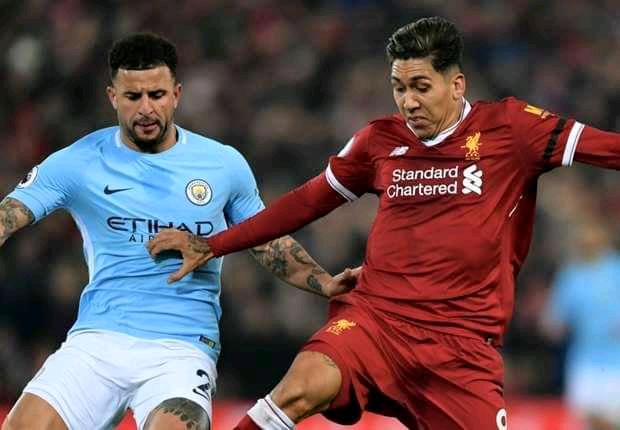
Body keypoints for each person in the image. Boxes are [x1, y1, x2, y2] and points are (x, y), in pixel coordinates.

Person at [146, 16, 620, 430]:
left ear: (456, 85)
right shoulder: (378, 141)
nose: (408, 102)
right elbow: (305, 203)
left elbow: (609, 148)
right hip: (377, 322)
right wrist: (215, 244)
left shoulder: (512, 129)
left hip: (461, 348)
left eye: (421, 87)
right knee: (299, 386)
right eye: (399, 87)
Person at [0, 33, 357, 430]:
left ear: (177, 94)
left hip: (181, 348)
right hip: (97, 340)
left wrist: (325, 282)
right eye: (133, 97)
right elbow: (8, 215)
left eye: (156, 94)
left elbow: (266, 241)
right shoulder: (78, 161)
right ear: (112, 97)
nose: (146, 108)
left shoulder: (222, 165)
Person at [540, 221, 620, 430]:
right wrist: (553, 325)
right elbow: (554, 321)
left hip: (616, 361)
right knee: (585, 422)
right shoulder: (571, 275)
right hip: (583, 362)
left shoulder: (616, 269)